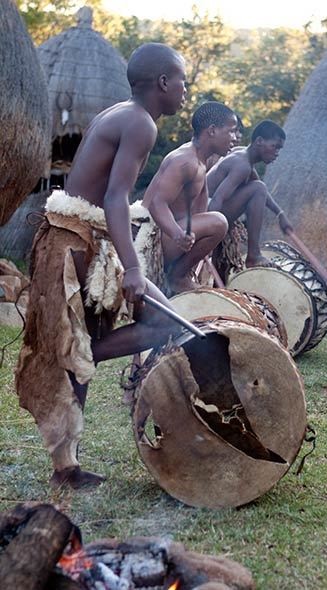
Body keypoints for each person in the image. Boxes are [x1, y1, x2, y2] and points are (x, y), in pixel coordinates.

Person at [15, 43, 187, 490]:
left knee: (138, 327)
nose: (186, 91)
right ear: (164, 83)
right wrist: (132, 268)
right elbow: (114, 196)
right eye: (182, 81)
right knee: (155, 323)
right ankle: (66, 466)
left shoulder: (120, 113)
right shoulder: (140, 122)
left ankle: (67, 462)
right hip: (74, 245)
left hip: (74, 238)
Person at [141, 101, 237, 294]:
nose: (234, 138)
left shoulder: (203, 161)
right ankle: (176, 278)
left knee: (213, 220)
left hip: (170, 235)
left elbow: (200, 210)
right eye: (231, 131)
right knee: (219, 222)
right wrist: (177, 234)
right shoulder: (185, 161)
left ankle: (181, 275)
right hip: (153, 240)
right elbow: (156, 203)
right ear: (212, 130)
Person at [207, 119, 293, 277]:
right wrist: (207, 235)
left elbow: (260, 189)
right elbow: (218, 198)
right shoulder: (242, 165)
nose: (277, 153)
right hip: (203, 211)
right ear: (259, 141)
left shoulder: (244, 155)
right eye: (274, 146)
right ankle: (253, 255)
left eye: (279, 148)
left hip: (209, 209)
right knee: (258, 188)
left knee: (258, 187)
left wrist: (280, 213)